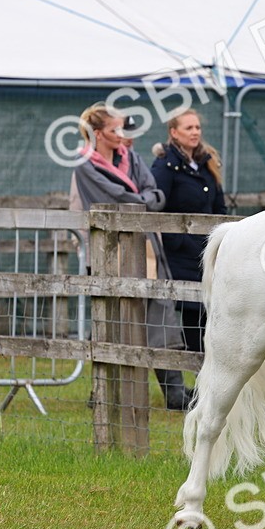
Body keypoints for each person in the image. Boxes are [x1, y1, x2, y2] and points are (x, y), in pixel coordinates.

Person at [72, 102, 193, 411]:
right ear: (98, 133)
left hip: (148, 248)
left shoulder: (133, 158)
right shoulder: (85, 164)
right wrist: (143, 202)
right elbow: (115, 200)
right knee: (113, 321)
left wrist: (141, 202)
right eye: (117, 129)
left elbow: (156, 195)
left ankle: (175, 393)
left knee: (161, 317)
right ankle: (103, 392)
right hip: (110, 255)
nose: (123, 134)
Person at [151, 109, 227, 354]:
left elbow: (220, 207)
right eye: (188, 128)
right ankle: (196, 377)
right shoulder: (165, 165)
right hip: (181, 255)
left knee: (212, 313)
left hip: (209, 251)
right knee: (193, 312)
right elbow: (155, 205)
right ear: (174, 132)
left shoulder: (207, 163)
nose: (195, 132)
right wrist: (176, 241)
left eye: (197, 127)